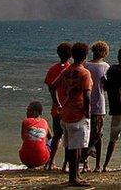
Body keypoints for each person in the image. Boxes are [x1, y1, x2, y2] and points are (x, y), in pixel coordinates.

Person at [53, 41, 93, 187]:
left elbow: (53, 86)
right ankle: (74, 177)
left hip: (65, 112)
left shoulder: (66, 71)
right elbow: (87, 95)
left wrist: (58, 103)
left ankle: (74, 175)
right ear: (85, 56)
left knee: (70, 147)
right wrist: (87, 112)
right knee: (77, 147)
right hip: (78, 113)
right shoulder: (84, 73)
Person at [44, 42, 72, 170]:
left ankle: (50, 162)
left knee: (57, 136)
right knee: (68, 138)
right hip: (68, 108)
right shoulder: (71, 69)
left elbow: (50, 87)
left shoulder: (52, 69)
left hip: (56, 108)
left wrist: (56, 103)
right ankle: (65, 164)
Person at [85, 40, 110, 172]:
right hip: (99, 104)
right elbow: (106, 86)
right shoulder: (106, 67)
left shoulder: (85, 65)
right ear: (105, 53)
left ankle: (85, 164)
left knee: (86, 134)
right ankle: (98, 165)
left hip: (85, 104)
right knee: (98, 135)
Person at [19, 101, 51, 169]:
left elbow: (23, 138)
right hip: (42, 159)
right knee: (56, 140)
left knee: (27, 143)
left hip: (24, 158)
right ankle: (50, 163)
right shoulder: (44, 122)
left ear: (35, 112)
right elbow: (50, 138)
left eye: (29, 110)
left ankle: (30, 164)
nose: (27, 112)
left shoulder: (25, 121)